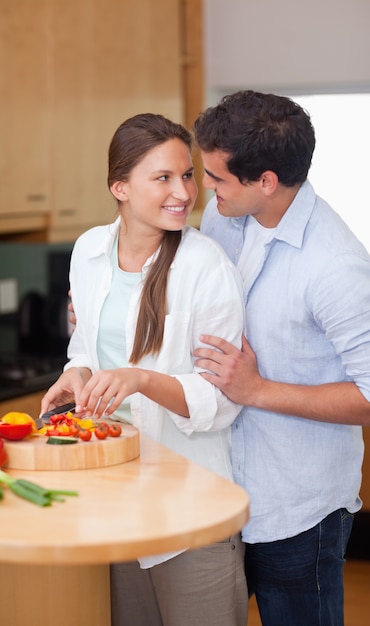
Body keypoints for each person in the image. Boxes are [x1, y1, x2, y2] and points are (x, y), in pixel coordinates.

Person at [191, 90, 370, 626]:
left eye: (217, 177)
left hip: (299, 508)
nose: (205, 187)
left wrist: (258, 390)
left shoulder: (335, 265)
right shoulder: (224, 217)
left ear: (265, 181)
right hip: (222, 485)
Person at [40, 113, 248, 626]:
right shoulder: (89, 250)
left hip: (191, 502)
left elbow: (222, 399)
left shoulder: (206, 267)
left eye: (187, 175)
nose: (183, 192)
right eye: (163, 178)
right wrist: (77, 372)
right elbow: (88, 343)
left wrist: (139, 380)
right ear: (120, 188)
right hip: (115, 495)